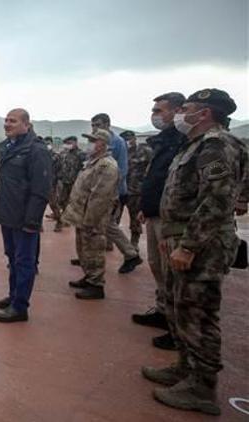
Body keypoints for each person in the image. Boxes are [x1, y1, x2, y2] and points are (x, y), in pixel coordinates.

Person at [142, 89, 246, 416]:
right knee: (180, 307)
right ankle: (185, 368)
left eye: (185, 109)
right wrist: (171, 236)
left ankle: (202, 388)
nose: (178, 114)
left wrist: (187, 245)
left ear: (203, 114)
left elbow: (217, 201)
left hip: (203, 245)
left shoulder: (217, 145)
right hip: (182, 237)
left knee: (198, 313)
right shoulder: (197, 144)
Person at [130, 92, 186, 351]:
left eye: (160, 110)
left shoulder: (186, 141)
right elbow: (156, 177)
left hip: (172, 218)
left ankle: (177, 327)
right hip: (155, 212)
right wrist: (145, 206)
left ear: (177, 110)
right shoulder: (164, 141)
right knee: (156, 265)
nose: (155, 115)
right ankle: (163, 311)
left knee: (172, 272)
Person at [0, 109, 52, 322]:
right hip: (8, 214)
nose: (7, 124)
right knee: (12, 258)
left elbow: (41, 189)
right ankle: (14, 296)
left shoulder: (36, 150)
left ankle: (20, 307)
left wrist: (32, 221)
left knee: (24, 261)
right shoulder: (11, 147)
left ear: (26, 124)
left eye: (12, 121)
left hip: (25, 218)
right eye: (6, 120)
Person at [62, 129, 119, 300]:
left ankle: (96, 284)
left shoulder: (106, 165)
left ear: (103, 143)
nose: (89, 143)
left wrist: (90, 220)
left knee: (94, 249)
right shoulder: (93, 162)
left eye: (93, 140)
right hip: (82, 215)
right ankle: (89, 276)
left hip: (93, 218)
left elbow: (100, 197)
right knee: (84, 248)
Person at [91, 113, 142, 273]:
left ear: (107, 124)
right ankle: (89, 256)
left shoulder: (117, 142)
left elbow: (122, 169)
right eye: (92, 125)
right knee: (99, 224)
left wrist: (111, 192)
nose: (94, 127)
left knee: (108, 225)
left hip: (112, 192)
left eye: (98, 124)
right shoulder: (95, 140)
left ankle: (130, 254)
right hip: (97, 190)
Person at [121, 130, 152, 250]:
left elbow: (151, 169)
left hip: (136, 190)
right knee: (113, 217)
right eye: (126, 140)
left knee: (134, 218)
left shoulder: (145, 151)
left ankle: (134, 241)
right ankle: (110, 240)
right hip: (121, 189)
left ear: (134, 139)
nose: (128, 142)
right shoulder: (121, 152)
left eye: (130, 139)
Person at [56, 136, 86, 231]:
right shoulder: (64, 153)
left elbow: (84, 168)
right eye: (66, 143)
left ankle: (75, 221)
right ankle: (64, 219)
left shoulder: (81, 154)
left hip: (75, 183)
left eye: (70, 143)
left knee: (75, 203)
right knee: (62, 201)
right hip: (64, 182)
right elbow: (60, 166)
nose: (68, 145)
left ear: (75, 142)